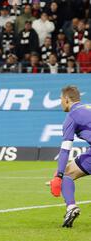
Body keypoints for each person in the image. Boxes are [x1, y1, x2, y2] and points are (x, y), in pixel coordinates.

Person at [48, 86, 91, 227]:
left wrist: (58, 175)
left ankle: (71, 207)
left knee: (65, 173)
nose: (60, 102)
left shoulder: (71, 116)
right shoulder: (88, 108)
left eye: (61, 99)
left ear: (66, 99)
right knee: (69, 171)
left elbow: (65, 150)